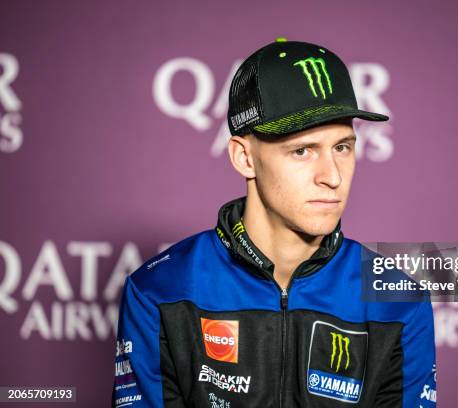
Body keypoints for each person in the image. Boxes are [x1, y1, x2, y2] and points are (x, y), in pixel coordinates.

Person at [112, 38, 436, 408]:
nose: (332, 176)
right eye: (302, 151)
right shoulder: (159, 290)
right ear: (244, 158)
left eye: (342, 147)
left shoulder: (399, 301)